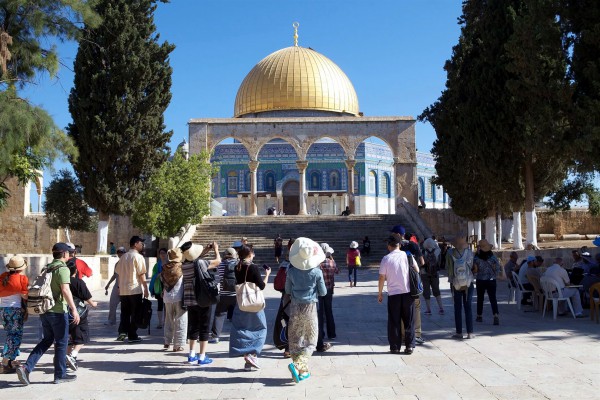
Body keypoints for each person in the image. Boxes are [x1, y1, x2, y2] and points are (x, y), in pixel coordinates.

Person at [17, 243, 80, 385]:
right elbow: (65, 289)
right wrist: (74, 309)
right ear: (64, 254)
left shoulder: (48, 267)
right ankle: (60, 375)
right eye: (69, 252)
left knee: (46, 340)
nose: (70, 255)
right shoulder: (63, 268)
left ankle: (26, 368)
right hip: (58, 311)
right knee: (62, 342)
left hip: (45, 310)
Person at [286, 237, 327, 383]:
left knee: (295, 339)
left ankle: (302, 371)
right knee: (311, 340)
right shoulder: (316, 272)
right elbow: (323, 292)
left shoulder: (291, 271)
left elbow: (287, 290)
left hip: (295, 306)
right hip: (310, 306)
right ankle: (299, 365)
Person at [230, 244, 271, 371]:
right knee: (260, 329)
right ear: (249, 254)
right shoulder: (252, 267)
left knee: (242, 329)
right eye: (252, 253)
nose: (254, 254)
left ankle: (247, 358)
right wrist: (267, 274)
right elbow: (262, 286)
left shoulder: (237, 267)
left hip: (241, 302)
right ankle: (252, 355)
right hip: (254, 304)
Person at [181, 241, 221, 365]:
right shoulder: (200, 263)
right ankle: (202, 356)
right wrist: (216, 249)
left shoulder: (184, 265)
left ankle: (191, 354)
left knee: (193, 326)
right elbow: (217, 261)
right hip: (202, 299)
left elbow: (194, 259)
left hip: (189, 299)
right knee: (204, 327)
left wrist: (205, 251)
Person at [378, 235, 418, 354]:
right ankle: (409, 346)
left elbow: (381, 277)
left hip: (393, 294)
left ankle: (395, 347)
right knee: (409, 320)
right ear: (399, 245)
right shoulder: (408, 255)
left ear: (389, 245)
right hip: (408, 292)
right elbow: (417, 270)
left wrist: (379, 293)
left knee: (394, 321)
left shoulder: (386, 259)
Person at [391, 226, 425, 345]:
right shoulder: (413, 245)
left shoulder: (395, 247)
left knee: (402, 309)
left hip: (400, 282)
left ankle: (404, 335)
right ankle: (417, 334)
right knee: (416, 308)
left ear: (398, 234)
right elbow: (422, 262)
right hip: (413, 282)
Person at [115, 236, 149, 343]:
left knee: (125, 313)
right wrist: (146, 288)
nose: (142, 245)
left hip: (124, 290)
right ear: (136, 244)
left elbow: (119, 274)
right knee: (136, 313)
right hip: (134, 289)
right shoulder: (138, 257)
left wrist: (119, 287)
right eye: (141, 243)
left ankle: (122, 331)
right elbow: (142, 275)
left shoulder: (123, 257)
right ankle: (132, 335)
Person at [65, 260, 98, 372]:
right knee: (82, 336)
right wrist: (93, 304)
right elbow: (86, 296)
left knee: (68, 336)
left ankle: (65, 358)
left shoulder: (62, 282)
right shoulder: (78, 282)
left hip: (63, 312)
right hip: (78, 313)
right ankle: (73, 355)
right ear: (76, 271)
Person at [1, 256, 29, 373]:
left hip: (3, 310)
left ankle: (10, 361)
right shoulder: (22, 279)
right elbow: (24, 296)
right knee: (15, 336)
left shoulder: (3, 277)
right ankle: (5, 362)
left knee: (10, 334)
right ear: (21, 268)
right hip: (15, 310)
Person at [446, 235, 475, 340]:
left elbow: (448, 269)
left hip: (455, 284)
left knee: (457, 308)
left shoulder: (450, 253)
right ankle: (470, 332)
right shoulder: (469, 253)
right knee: (468, 307)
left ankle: (459, 332)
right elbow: (472, 266)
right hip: (468, 283)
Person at [209, 247, 239, 344]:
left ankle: (215, 336)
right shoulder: (239, 264)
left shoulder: (220, 265)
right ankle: (238, 336)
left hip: (223, 294)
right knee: (238, 315)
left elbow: (217, 277)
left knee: (219, 314)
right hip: (236, 294)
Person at [161, 248, 187, 352]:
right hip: (179, 296)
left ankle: (167, 341)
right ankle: (179, 344)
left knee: (168, 320)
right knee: (181, 320)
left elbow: (163, 281)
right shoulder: (182, 267)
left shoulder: (164, 268)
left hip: (167, 297)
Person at [473, 239, 501, 326]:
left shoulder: (476, 258)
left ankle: (479, 316)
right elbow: (497, 270)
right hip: (491, 280)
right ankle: (495, 315)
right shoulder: (493, 258)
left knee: (480, 298)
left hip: (480, 280)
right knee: (493, 298)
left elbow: (475, 271)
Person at [317, 244, 338, 351]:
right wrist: (331, 258)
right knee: (329, 311)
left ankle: (321, 334)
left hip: (320, 291)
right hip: (329, 289)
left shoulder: (318, 264)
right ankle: (332, 333)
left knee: (320, 313)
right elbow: (337, 271)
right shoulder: (332, 262)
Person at [421, 238, 444, 315]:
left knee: (426, 291)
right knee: (436, 290)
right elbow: (439, 263)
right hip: (435, 273)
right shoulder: (438, 251)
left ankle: (428, 309)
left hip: (424, 273)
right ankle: (441, 308)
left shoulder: (422, 251)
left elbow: (421, 263)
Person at [105, 247, 125, 329]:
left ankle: (125, 322)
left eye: (122, 252)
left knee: (125, 306)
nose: (120, 254)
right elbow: (115, 275)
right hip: (116, 286)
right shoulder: (117, 264)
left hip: (125, 287)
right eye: (118, 252)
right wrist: (108, 284)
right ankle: (111, 320)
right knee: (112, 303)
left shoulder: (128, 263)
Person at [150, 248, 167, 329]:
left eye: (164, 253)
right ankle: (160, 322)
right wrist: (160, 274)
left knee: (167, 306)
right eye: (161, 253)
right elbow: (153, 276)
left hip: (168, 287)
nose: (162, 254)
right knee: (160, 305)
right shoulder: (157, 265)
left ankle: (166, 322)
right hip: (159, 287)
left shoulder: (169, 264)